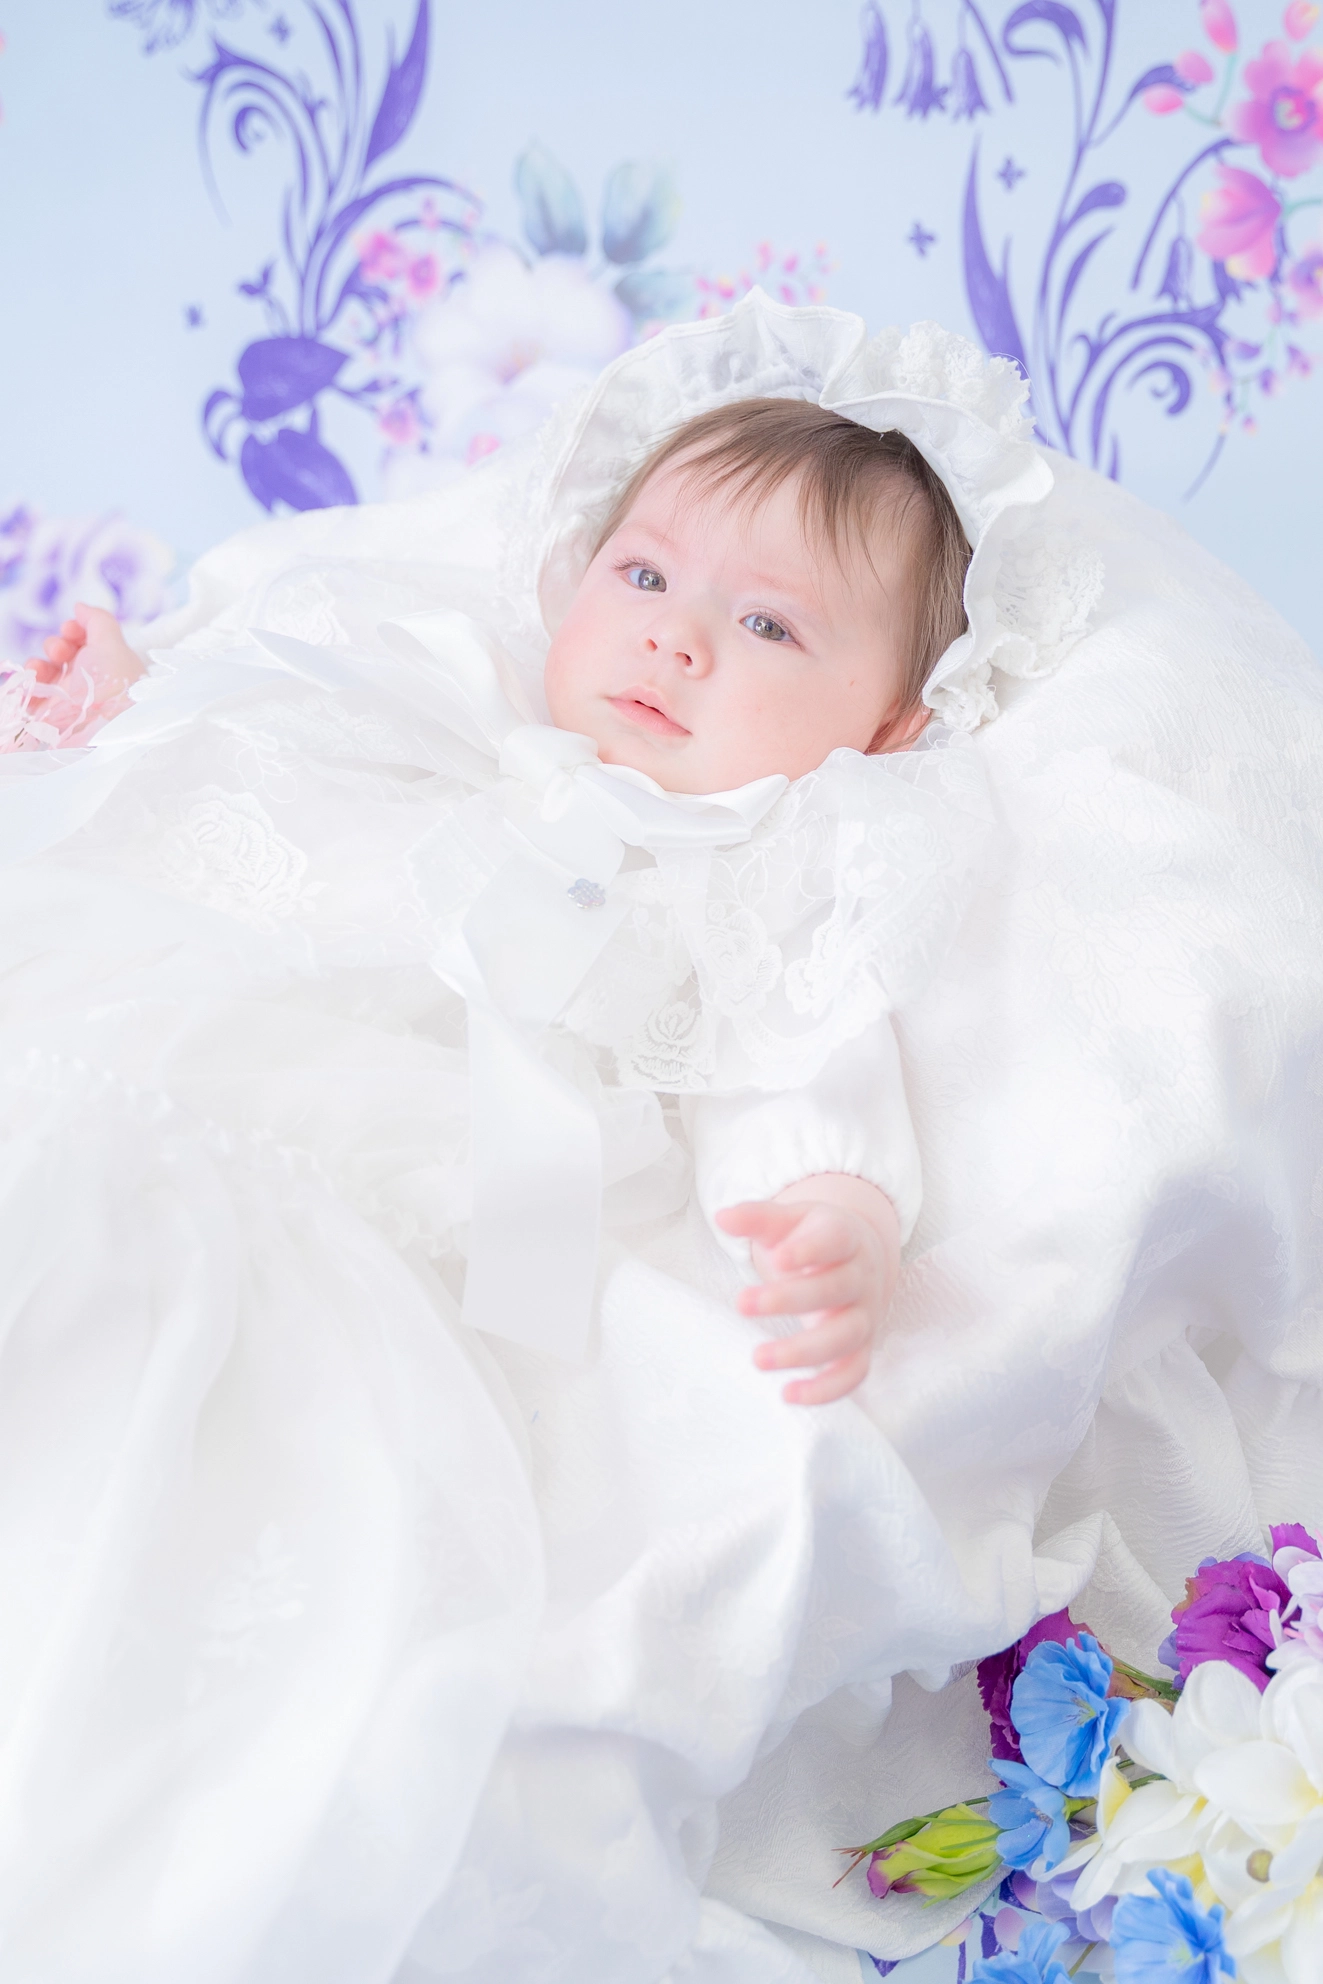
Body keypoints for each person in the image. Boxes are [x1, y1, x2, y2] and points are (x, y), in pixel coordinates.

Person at [0, 292, 1318, 1984]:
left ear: (887, 728)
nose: (675, 640)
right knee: (79, 1181)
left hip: (415, 1185)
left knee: (257, 1403)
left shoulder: (765, 869)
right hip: (218, 1044)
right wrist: (126, 696)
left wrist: (839, 1209)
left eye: (767, 626)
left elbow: (797, 1045)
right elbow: (252, 750)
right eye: (641, 577)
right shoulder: (445, 711)